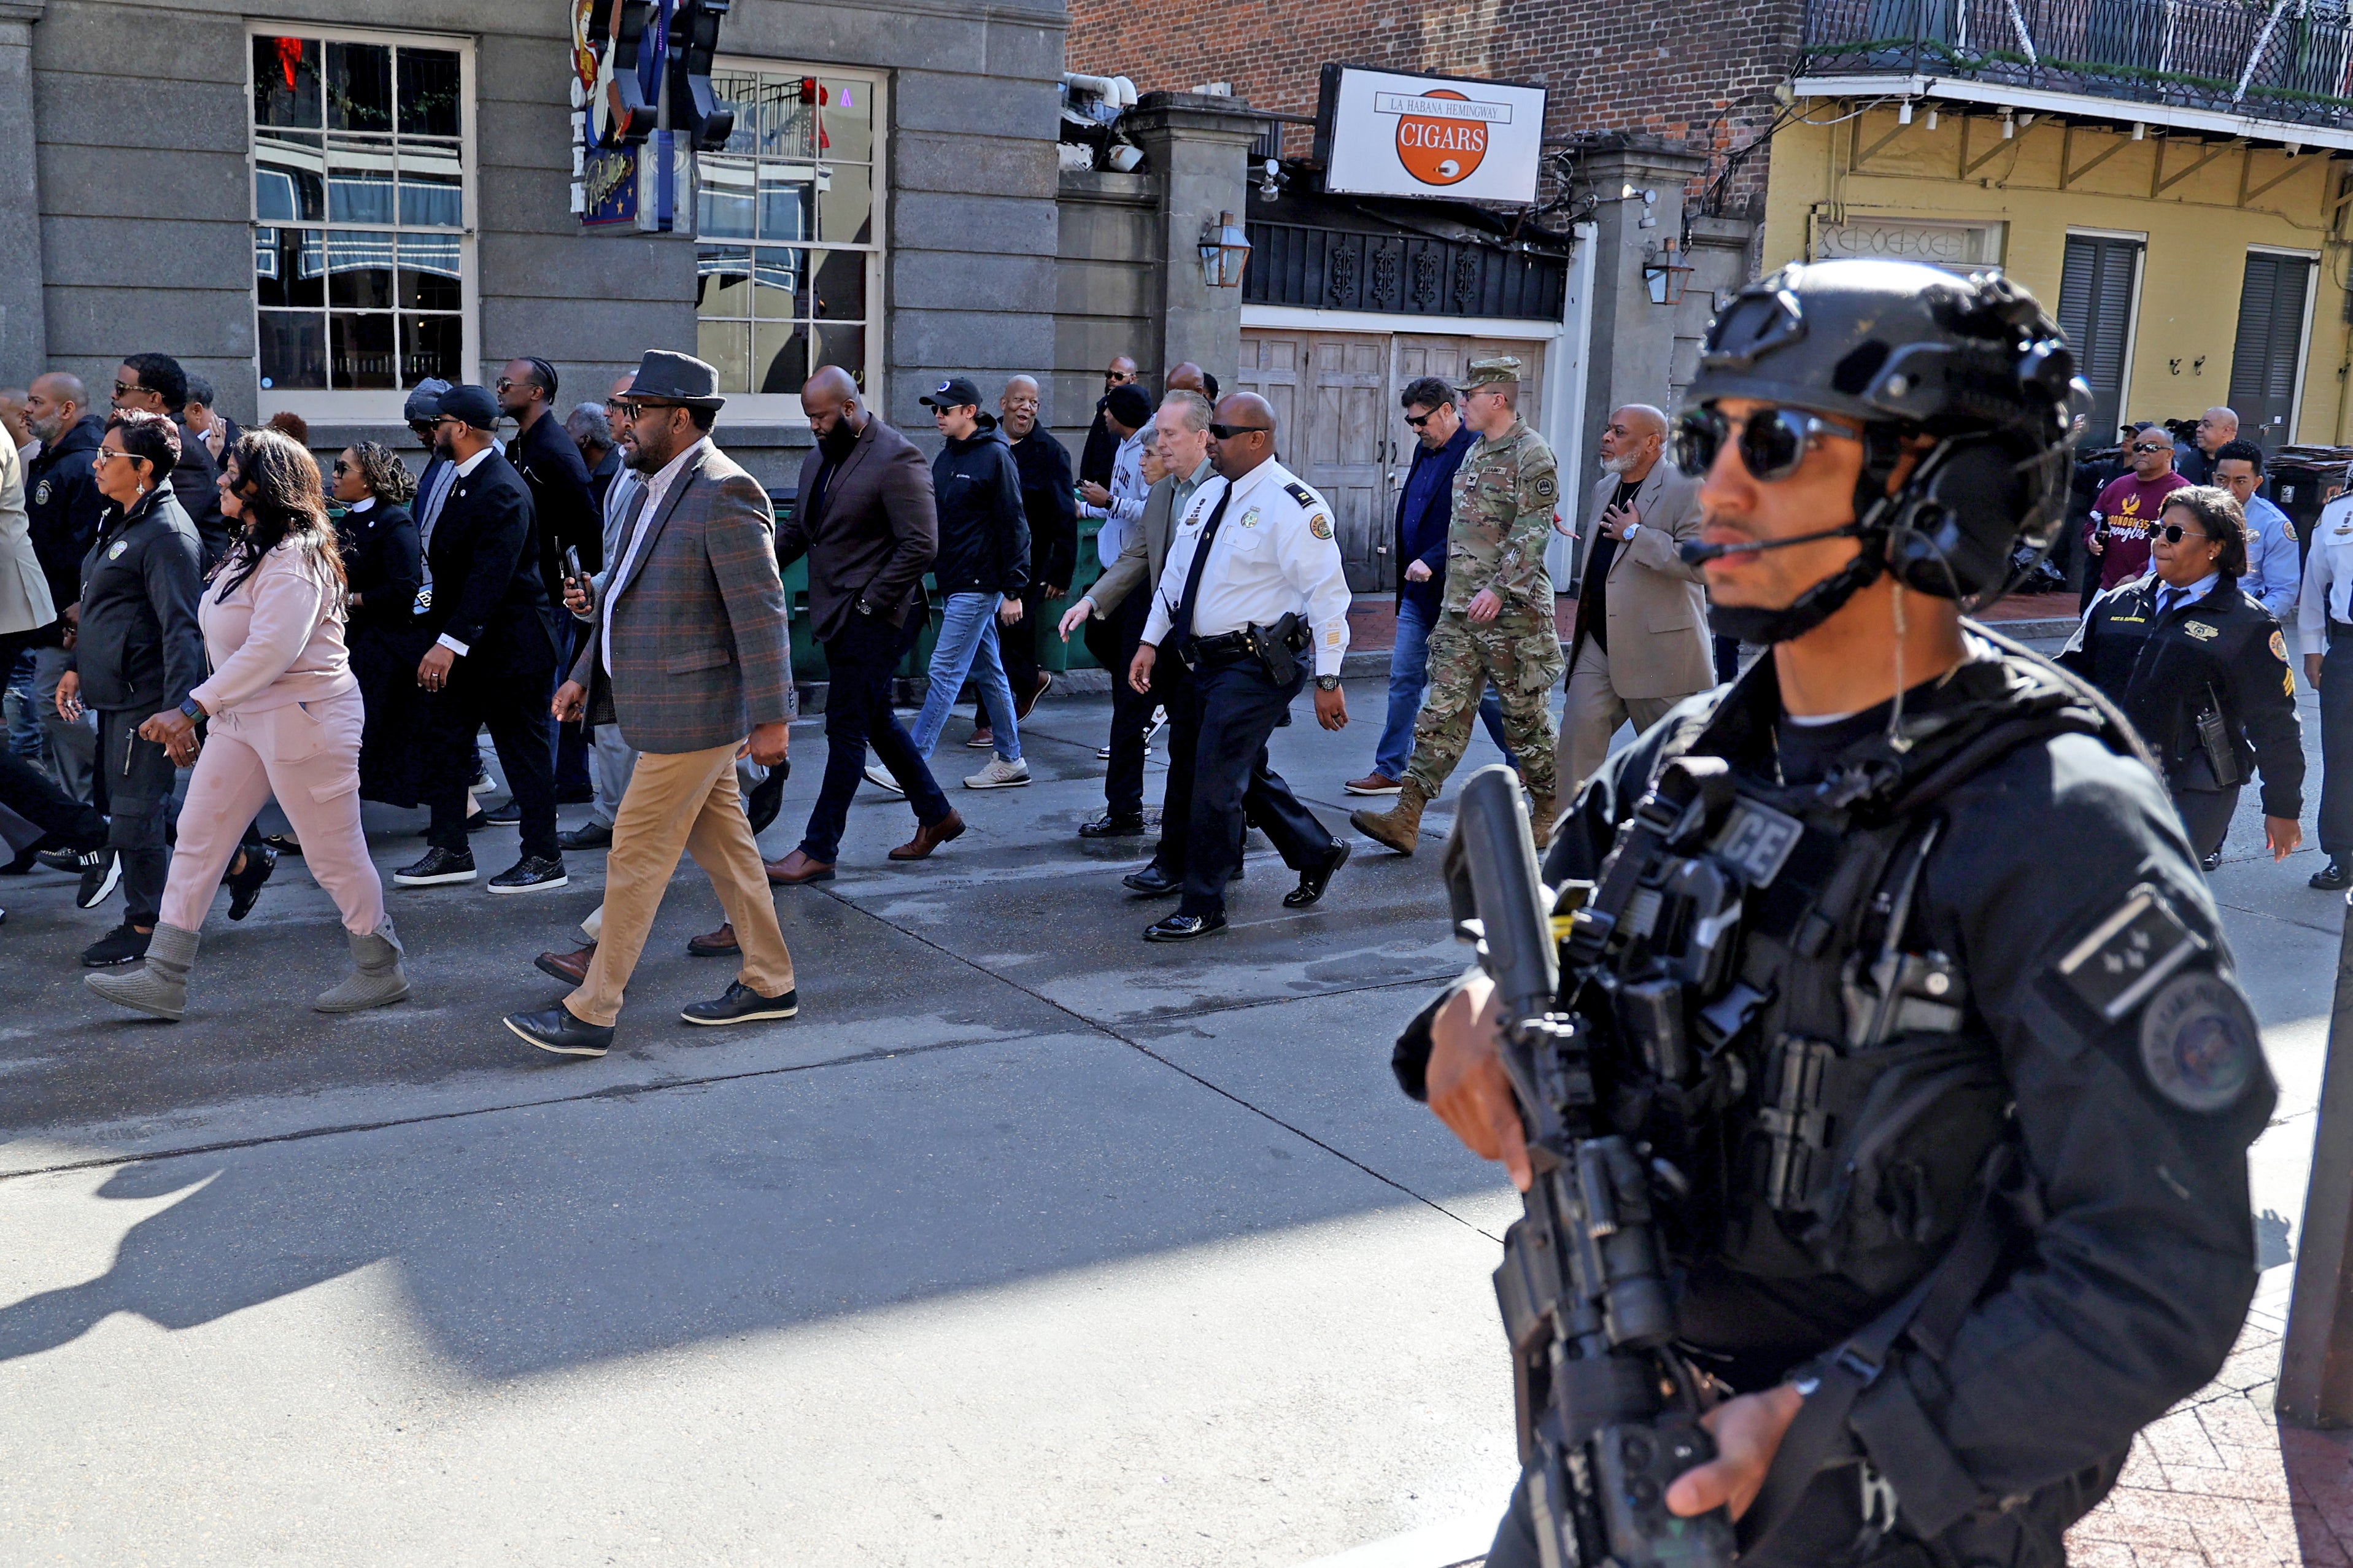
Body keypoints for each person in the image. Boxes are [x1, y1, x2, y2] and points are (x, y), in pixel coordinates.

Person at [1403, 258, 2272, 1568]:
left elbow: (2166, 1269)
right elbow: (1532, 941)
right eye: (1711, 439)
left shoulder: (2054, 821)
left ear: (1936, 485)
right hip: (1613, 1448)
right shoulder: (1691, 756)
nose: (1719, 487)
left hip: (1882, 1506)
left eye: (1782, 441)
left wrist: (1838, 1431)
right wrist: (1463, 1017)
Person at [508, 350, 798, 1057]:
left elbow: (762, 614)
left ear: (681, 417)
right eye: (623, 410)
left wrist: (771, 718)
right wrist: (582, 668)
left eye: (636, 411)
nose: (623, 422)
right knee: (729, 852)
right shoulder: (644, 489)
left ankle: (593, 1009)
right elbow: (624, 598)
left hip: (696, 709)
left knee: (633, 853)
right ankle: (770, 980)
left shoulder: (727, 490)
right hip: (658, 702)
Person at [85, 430, 410, 1021]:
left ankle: (379, 968)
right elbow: (227, 643)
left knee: (333, 854)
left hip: (305, 720)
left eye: (231, 470)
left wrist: (190, 710)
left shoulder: (296, 556)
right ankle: (164, 974)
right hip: (244, 720)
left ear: (262, 484)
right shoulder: (252, 546)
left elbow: (270, 652)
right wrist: (205, 710)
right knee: (199, 834)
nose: (219, 479)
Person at [1128, 392, 1353, 939]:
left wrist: (1329, 677)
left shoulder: (1295, 505)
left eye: (1220, 432)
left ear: (1257, 439)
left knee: (1215, 779)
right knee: (1237, 770)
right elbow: (1176, 580)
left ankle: (1203, 904)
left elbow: (1328, 597)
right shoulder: (1207, 496)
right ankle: (1316, 850)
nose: (1211, 441)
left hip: (1256, 665)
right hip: (1201, 660)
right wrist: (1149, 641)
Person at [1352, 360, 1564, 855]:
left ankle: (1550, 811)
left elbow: (1533, 533)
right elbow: (1460, 533)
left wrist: (1500, 588)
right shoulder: (1473, 455)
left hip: (1513, 614)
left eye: (1470, 396)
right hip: (1459, 611)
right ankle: (1407, 816)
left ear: (1498, 399)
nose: (1461, 403)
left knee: (1525, 719)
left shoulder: (1531, 454)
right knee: (1439, 713)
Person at [767, 365, 960, 882]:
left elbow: (921, 544)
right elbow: (799, 530)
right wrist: (757, 566)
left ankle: (818, 849)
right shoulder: (819, 459)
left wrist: (872, 603)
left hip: (882, 616)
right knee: (875, 718)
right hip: (838, 614)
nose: (813, 426)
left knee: (845, 727)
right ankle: (937, 815)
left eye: (821, 416)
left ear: (850, 408)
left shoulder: (897, 456)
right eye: (808, 417)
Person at [2059, 485, 2303, 870]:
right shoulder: (2117, 603)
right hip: (2110, 775)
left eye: (2175, 533)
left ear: (2216, 547)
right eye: (2158, 529)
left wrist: (2283, 806)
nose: (2160, 541)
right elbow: (2067, 679)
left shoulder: (2248, 624)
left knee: (2151, 897)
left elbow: (2275, 724)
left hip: (2193, 788)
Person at [391, 383, 568, 894]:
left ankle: (543, 856)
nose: (432, 432)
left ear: (461, 428)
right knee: (445, 744)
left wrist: (448, 643)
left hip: (513, 650)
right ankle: (450, 849)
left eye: (439, 423)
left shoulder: (501, 488)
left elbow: (489, 579)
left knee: (522, 754)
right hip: (471, 647)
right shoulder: (466, 478)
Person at [53, 411, 205, 967]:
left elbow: (182, 627)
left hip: (148, 703)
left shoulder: (166, 534)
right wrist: (78, 667)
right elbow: (102, 606)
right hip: (116, 696)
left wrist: (179, 710)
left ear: (143, 468)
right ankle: (242, 863)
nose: (97, 462)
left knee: (137, 816)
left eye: (109, 456)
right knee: (130, 809)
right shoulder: (122, 520)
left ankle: (145, 926)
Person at [1346, 374, 1510, 798]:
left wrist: (1433, 560)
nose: (1416, 430)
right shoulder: (1426, 450)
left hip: (1458, 593)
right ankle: (1390, 768)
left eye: (1421, 421)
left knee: (1485, 690)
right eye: (1410, 422)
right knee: (1404, 678)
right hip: (1418, 594)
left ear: (1446, 410)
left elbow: (1478, 526)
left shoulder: (1475, 453)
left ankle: (1526, 763)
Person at [1062, 390, 1215, 844]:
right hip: (1150, 615)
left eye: (1167, 436)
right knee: (1144, 715)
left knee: (1211, 744)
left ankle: (1253, 829)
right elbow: (1139, 556)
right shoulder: (1164, 493)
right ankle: (1149, 828)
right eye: (1154, 441)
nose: (1158, 448)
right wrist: (1090, 601)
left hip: (1205, 635)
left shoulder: (1223, 491)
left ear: (1201, 438)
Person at [1555, 403, 1711, 796]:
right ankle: (1570, 849)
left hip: (1662, 651)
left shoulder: (1688, 487)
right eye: (1608, 429)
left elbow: (1703, 564)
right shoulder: (1605, 488)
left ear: (1652, 443)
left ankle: (1671, 849)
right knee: (1575, 748)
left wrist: (1635, 534)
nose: (1607, 438)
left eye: (1619, 432)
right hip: (1598, 643)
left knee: (1673, 766)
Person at [887, 377, 1029, 790]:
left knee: (944, 668)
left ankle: (910, 766)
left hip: (980, 582)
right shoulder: (947, 458)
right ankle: (1011, 758)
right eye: (935, 409)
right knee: (990, 671)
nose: (938, 416)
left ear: (970, 411)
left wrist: (1014, 589)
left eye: (945, 409)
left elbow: (1015, 525)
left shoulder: (995, 457)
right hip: (956, 579)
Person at [499, 357, 600, 806]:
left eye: (508, 383)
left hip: (554, 596)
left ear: (536, 392)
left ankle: (542, 794)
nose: (499, 389)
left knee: (549, 698)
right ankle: (565, 781)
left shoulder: (555, 451)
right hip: (535, 590)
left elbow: (587, 523)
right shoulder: (520, 446)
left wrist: (574, 586)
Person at [330, 441, 430, 811]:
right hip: (358, 644)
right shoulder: (349, 517)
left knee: (371, 735)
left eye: (343, 469)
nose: (335, 476)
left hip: (386, 649)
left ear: (369, 479)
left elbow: (405, 589)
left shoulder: (395, 522)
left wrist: (350, 601)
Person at [23, 374, 106, 801]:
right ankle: (87, 818)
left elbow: (86, 547)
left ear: (67, 409)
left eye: (37, 402)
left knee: (53, 705)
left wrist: (80, 605)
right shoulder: (52, 459)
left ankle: (122, 773)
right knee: (53, 707)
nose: (28, 410)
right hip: (49, 611)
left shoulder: (82, 464)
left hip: (69, 614)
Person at [1081, 382, 1158, 768]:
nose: (1104, 416)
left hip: (1133, 575)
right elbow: (1116, 503)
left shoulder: (1148, 452)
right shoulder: (1122, 447)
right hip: (1110, 567)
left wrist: (1109, 501)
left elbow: (1150, 512)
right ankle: (1143, 702)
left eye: (1109, 410)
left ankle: (1139, 720)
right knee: (1097, 638)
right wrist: (1090, 509)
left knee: (1129, 664)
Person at [995, 376, 1076, 720]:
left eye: (1033, 403)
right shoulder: (984, 442)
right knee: (992, 634)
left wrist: (1062, 570)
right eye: (1019, 400)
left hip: (1030, 560)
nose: (1026, 408)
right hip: (984, 556)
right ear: (1003, 404)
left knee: (1010, 631)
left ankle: (996, 714)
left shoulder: (1051, 453)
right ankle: (1021, 687)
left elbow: (1064, 514)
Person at [112, 354, 226, 566]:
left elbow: (165, 533)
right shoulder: (154, 441)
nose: (114, 396)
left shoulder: (181, 453)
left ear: (154, 399)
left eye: (122, 389)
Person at [2297, 476, 2353, 890]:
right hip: (2348, 651)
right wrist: (2312, 646)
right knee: (2341, 757)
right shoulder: (2338, 513)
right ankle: (2341, 853)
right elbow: (2314, 585)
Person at [2085, 420, 2189, 598]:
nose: (2142, 452)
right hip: (2109, 585)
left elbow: (2180, 545)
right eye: (2138, 447)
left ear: (2169, 454)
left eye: (2152, 448)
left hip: (2156, 588)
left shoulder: (2181, 493)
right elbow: (2093, 520)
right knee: (2089, 625)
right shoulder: (2119, 486)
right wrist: (2091, 538)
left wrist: (2139, 574)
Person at [2208, 439, 2302, 620]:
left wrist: (2251, 621)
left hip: (2241, 618)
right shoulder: (2193, 514)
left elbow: (2283, 590)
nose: (2229, 490)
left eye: (2240, 482)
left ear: (2257, 483)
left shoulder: (2273, 525)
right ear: (2213, 477)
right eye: (2222, 480)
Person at [1080, 354, 1140, 489]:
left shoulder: (1137, 411)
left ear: (1132, 380)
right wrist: (1085, 479)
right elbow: (1093, 442)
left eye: (1119, 376)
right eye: (1109, 375)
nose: (1112, 380)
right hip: (1102, 480)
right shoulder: (1103, 405)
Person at [569, 401, 622, 517]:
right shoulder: (581, 469)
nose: (563, 438)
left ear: (585, 441)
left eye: (568, 432)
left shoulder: (620, 473)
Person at [2177, 404, 2238, 485]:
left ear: (2226, 431)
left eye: (2206, 426)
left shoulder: (2244, 462)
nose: (2198, 429)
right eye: (2199, 425)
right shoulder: (2190, 459)